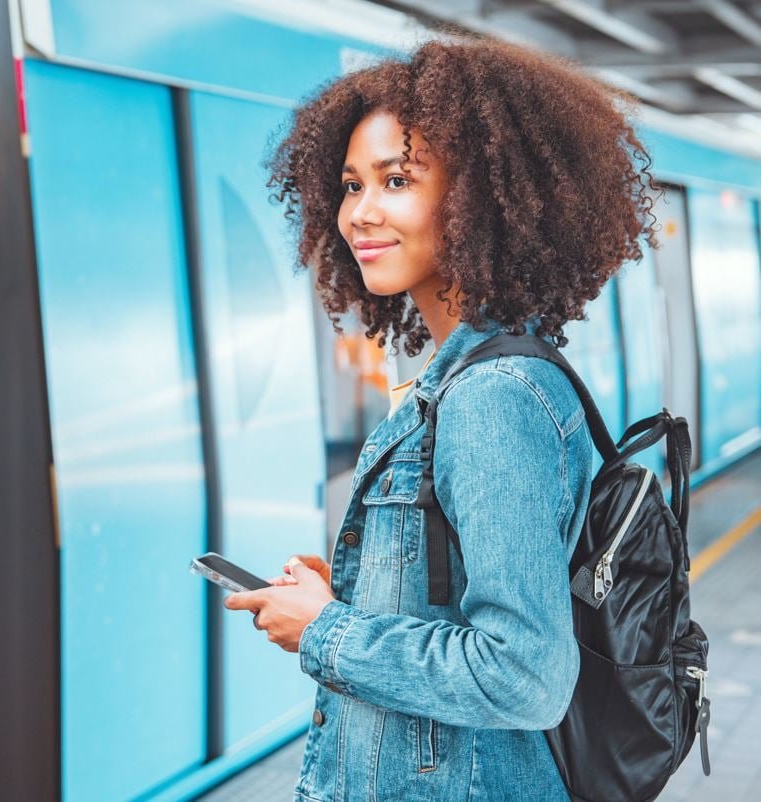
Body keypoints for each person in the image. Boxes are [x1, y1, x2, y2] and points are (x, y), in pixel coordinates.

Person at [224, 36, 658, 802]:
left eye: (397, 180)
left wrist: (324, 631)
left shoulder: (491, 396)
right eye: (352, 184)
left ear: (476, 199)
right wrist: (356, 595)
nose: (360, 213)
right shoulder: (468, 374)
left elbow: (523, 677)